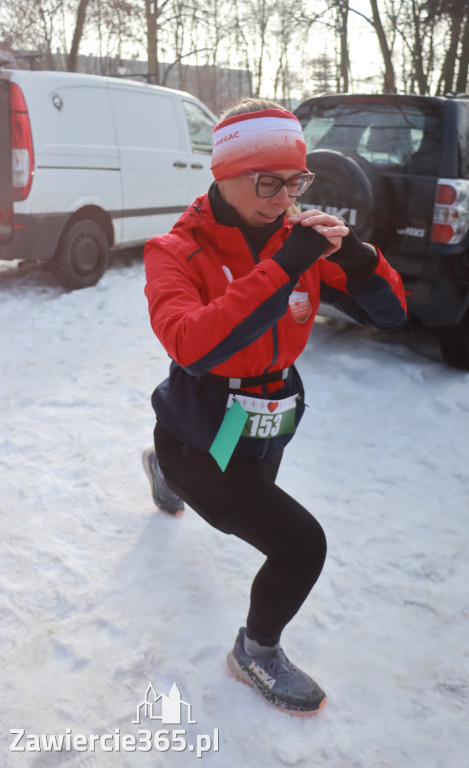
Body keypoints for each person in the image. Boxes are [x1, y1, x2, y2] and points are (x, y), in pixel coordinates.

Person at [142, 98, 407, 715]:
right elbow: (195, 344)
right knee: (299, 546)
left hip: (268, 419)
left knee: (255, 499)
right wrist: (286, 264)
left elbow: (391, 314)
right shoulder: (174, 250)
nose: (284, 197)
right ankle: (254, 652)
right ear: (223, 173)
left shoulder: (300, 238)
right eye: (268, 182)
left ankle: (161, 475)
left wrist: (362, 260)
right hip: (198, 430)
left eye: (296, 181)